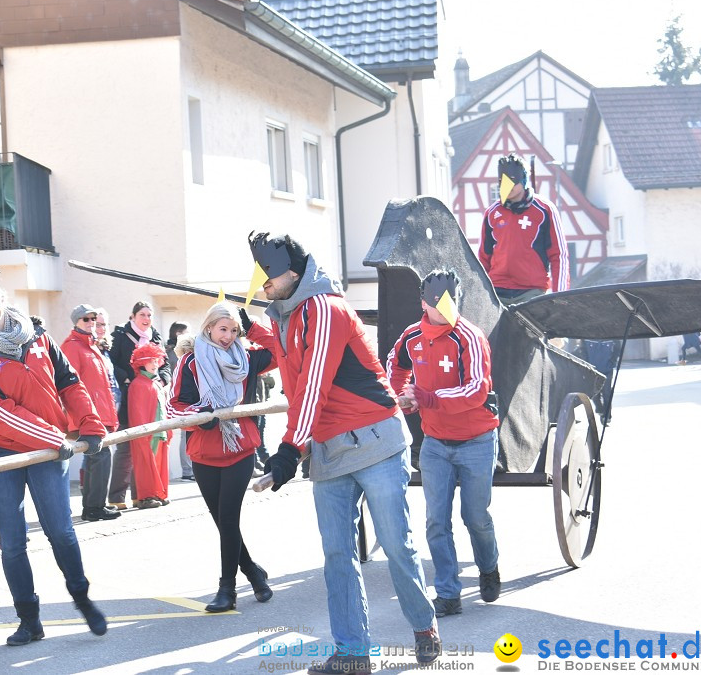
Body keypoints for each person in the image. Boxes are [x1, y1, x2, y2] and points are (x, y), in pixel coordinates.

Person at [245, 233, 440, 675]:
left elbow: (314, 381)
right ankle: (353, 653)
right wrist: (251, 325)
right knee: (337, 555)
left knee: (396, 546)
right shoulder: (289, 315)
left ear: (291, 275)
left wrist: (289, 449)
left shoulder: (326, 309)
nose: (261, 285)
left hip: (375, 442)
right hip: (330, 450)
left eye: (266, 278)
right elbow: (286, 355)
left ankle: (424, 625)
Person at [0, 270, 107, 646]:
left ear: (2, 299)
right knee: (13, 541)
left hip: (50, 450)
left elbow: (69, 381)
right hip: (2, 450)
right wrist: (54, 437)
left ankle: (82, 598)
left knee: (60, 530)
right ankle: (29, 619)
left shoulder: (37, 335)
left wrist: (90, 424)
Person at [386, 270, 502, 618]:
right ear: (424, 303)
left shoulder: (470, 337)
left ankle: (489, 567)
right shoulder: (412, 336)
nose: (446, 311)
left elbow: (477, 389)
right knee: (436, 520)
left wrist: (425, 397)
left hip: (477, 440)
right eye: (439, 304)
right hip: (436, 443)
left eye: (452, 302)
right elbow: (393, 367)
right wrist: (400, 397)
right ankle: (449, 594)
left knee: (475, 516)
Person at [168, 302, 276, 612]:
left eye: (233, 330)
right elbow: (174, 404)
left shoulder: (247, 359)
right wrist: (200, 414)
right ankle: (253, 572)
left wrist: (253, 327)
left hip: (240, 448)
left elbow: (281, 349)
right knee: (223, 522)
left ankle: (227, 590)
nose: (227, 336)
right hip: (204, 450)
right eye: (222, 329)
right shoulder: (189, 362)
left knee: (228, 518)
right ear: (209, 328)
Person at [478, 153, 569, 305]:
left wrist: (560, 295)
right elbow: (483, 257)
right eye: (502, 181)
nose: (508, 187)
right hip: (497, 289)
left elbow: (558, 255)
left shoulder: (545, 210)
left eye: (512, 181)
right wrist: (480, 292)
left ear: (524, 179)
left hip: (532, 290)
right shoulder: (492, 213)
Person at [60, 304, 121, 522]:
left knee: (99, 458)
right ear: (76, 321)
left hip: (100, 412)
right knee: (101, 457)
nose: (91, 322)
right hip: (88, 414)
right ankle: (94, 507)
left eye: (93, 318)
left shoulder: (92, 346)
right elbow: (69, 386)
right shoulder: (72, 347)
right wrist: (80, 416)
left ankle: (93, 507)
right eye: (85, 319)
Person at [107, 302, 171, 509]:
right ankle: (116, 498)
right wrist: (126, 378)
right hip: (129, 395)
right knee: (127, 447)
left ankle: (142, 495)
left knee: (148, 448)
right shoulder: (120, 335)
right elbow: (111, 361)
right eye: (142, 314)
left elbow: (165, 363)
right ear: (133, 316)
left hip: (151, 391)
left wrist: (163, 378)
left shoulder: (156, 337)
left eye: (149, 315)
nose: (146, 318)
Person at [127, 342, 172, 509]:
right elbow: (137, 414)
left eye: (156, 360)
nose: (155, 364)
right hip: (148, 434)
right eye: (151, 361)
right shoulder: (138, 384)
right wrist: (143, 434)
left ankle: (158, 493)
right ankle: (146, 497)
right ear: (141, 363)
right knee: (146, 464)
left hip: (160, 432)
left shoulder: (156, 383)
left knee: (158, 463)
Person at [165, 322, 194, 481]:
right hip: (179, 400)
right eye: (187, 333)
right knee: (185, 434)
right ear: (178, 334)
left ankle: (190, 469)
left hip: (186, 398)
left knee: (189, 433)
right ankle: (187, 471)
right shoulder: (172, 353)